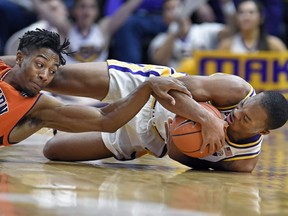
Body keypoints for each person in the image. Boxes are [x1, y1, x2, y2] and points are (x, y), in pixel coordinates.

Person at [35, 60, 287, 172]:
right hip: (151, 87)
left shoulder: (242, 162)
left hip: (151, 135)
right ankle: (9, 72)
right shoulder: (236, 89)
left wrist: (177, 149)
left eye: (246, 119)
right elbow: (169, 86)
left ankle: (66, 111)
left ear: (262, 131)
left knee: (53, 150)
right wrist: (207, 118)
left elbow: (194, 165)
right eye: (244, 107)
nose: (237, 114)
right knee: (60, 78)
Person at [0, 28, 191, 147]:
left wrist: (147, 86)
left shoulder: (38, 108)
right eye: (40, 65)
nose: (44, 76)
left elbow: (105, 119)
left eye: (52, 71)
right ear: (19, 59)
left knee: (54, 149)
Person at [217, 0, 286, 52]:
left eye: (251, 12)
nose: (246, 17)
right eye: (241, 12)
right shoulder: (226, 45)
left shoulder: (274, 44)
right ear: (236, 18)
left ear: (261, 18)